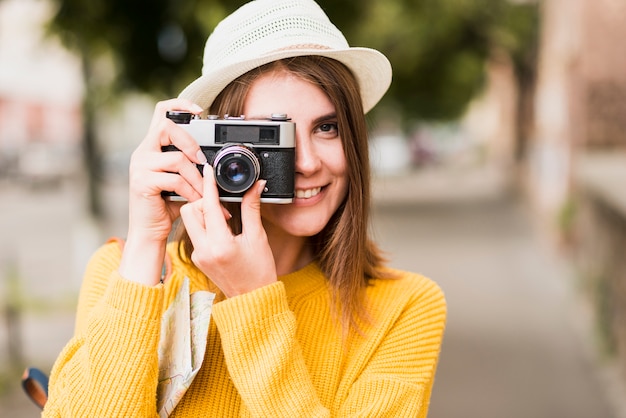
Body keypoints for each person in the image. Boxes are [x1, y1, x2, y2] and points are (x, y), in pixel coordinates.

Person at [44, 0, 446, 416]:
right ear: (220, 146)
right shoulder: (125, 274)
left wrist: (252, 300)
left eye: (328, 128)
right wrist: (146, 244)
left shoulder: (405, 307)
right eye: (277, 134)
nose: (306, 162)